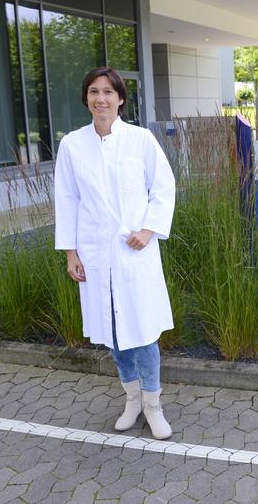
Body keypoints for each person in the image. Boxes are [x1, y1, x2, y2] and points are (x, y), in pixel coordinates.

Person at [54, 67, 176, 440]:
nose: (101, 98)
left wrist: (148, 229)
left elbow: (164, 187)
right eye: (94, 91)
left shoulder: (140, 140)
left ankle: (154, 406)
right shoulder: (72, 145)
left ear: (121, 98)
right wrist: (71, 252)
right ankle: (132, 400)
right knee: (113, 332)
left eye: (108, 91)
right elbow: (67, 200)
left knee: (143, 331)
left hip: (134, 251)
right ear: (86, 98)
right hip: (94, 253)